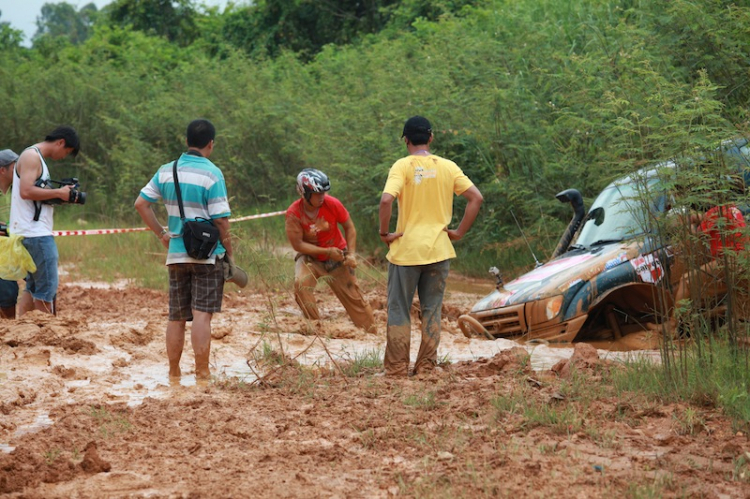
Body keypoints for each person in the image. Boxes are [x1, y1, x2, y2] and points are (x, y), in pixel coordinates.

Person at [378, 116, 483, 377]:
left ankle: (397, 368)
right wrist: (458, 232)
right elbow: (476, 198)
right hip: (439, 251)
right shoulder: (447, 167)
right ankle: (426, 367)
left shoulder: (402, 166)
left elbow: (386, 200)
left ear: (406, 140)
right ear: (431, 138)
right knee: (432, 311)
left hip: (406, 252)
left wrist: (384, 232)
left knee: (399, 308)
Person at [135, 119, 232, 381]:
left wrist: (162, 234)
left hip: (176, 253)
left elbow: (141, 204)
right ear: (211, 143)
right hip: (208, 255)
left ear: (186, 140)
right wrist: (230, 252)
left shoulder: (166, 170)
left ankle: (173, 373)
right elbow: (221, 220)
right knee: (202, 315)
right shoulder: (213, 173)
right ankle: (202, 372)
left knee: (176, 317)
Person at [285, 168, 376, 333]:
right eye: (317, 194)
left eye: (324, 193)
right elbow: (297, 245)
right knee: (301, 285)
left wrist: (352, 254)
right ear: (304, 193)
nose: (322, 197)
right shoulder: (293, 213)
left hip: (338, 256)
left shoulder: (333, 204)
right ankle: (315, 330)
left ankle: (372, 335)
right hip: (310, 258)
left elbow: (349, 227)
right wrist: (326, 252)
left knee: (355, 299)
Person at [9, 127, 80, 316]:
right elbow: (26, 191)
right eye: (67, 152)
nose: (64, 156)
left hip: (29, 232)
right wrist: (59, 192)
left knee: (32, 287)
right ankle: (46, 335)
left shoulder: (34, 157)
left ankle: (23, 330)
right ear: (61, 142)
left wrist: (59, 197)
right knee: (46, 290)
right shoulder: (32, 157)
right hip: (36, 234)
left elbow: (33, 193)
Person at [0, 149, 19, 318]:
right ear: (2, 170)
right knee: (7, 291)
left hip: (17, 245)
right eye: (15, 168)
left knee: (42, 281)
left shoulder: (19, 190)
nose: (19, 172)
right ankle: (9, 328)